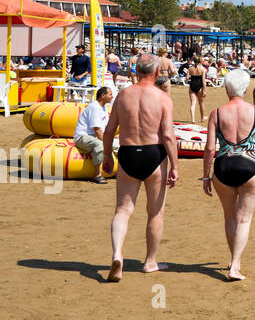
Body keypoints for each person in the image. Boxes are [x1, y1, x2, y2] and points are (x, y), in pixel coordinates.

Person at [102, 54, 179, 281]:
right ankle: (150, 262)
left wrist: (107, 156)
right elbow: (167, 135)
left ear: (135, 71)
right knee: (155, 211)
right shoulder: (162, 98)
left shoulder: (123, 95)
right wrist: (175, 165)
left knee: (122, 210)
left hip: (128, 153)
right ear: (156, 73)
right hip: (153, 154)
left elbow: (109, 130)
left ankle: (117, 254)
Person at [200, 69, 255, 280]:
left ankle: (234, 260)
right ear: (246, 88)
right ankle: (235, 265)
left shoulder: (217, 113)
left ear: (225, 88)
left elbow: (209, 149)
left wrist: (206, 176)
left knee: (230, 217)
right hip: (250, 165)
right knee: (244, 219)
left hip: (223, 166)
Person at [73, 86, 113, 184]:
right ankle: (96, 175)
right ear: (103, 96)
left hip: (94, 136)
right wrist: (107, 143)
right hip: (83, 136)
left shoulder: (103, 107)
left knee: (119, 143)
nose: (112, 97)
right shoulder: (94, 107)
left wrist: (113, 139)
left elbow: (104, 129)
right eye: (110, 94)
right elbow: (98, 131)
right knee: (99, 145)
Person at [187, 55, 207, 122]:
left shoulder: (190, 68)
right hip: (199, 86)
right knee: (201, 103)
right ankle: (202, 118)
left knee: (193, 103)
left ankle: (193, 119)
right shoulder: (203, 69)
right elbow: (203, 81)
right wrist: (205, 90)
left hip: (192, 85)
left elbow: (187, 78)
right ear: (200, 61)